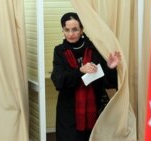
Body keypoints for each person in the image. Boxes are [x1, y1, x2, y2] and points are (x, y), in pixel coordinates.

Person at [51, 12, 121, 141]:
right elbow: (59, 81)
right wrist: (80, 70)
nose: (70, 34)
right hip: (68, 111)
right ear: (63, 30)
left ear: (82, 30)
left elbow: (108, 82)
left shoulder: (94, 48)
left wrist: (110, 68)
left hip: (94, 108)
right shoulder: (59, 51)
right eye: (67, 30)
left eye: (75, 29)